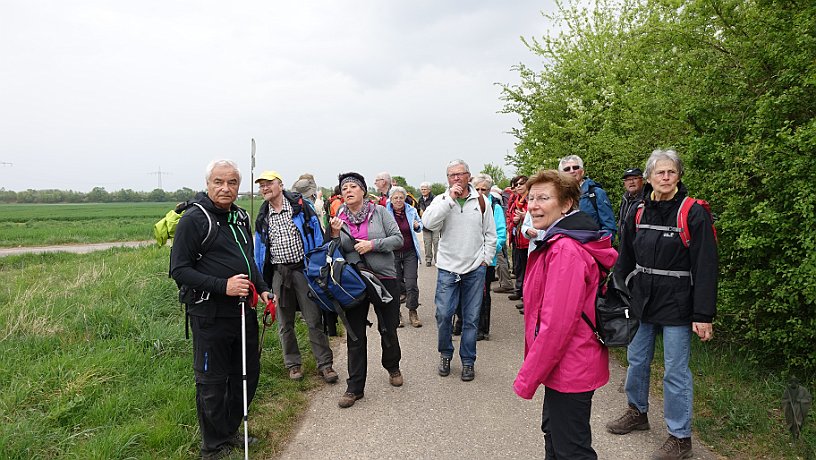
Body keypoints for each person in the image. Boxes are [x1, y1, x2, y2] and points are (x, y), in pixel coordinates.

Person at [605, 149, 718, 460]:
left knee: (675, 371)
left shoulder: (693, 212)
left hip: (678, 302)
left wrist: (703, 314)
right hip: (643, 299)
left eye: (671, 172)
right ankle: (637, 412)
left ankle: (681, 438)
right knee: (637, 359)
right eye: (660, 172)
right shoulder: (638, 211)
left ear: (678, 176)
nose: (666, 177)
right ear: (649, 177)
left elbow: (706, 266)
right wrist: (618, 292)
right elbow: (625, 256)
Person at [170, 159, 272, 460]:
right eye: (219, 182)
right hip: (209, 314)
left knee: (245, 374)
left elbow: (248, 260)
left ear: (238, 186)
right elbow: (179, 270)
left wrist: (263, 288)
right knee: (212, 381)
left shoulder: (239, 216)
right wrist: (222, 285)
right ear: (208, 184)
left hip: (242, 313)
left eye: (231, 183)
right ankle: (212, 445)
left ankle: (230, 431)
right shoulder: (194, 219)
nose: (225, 188)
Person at [513, 169, 616, 459]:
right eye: (531, 198)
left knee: (571, 449)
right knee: (555, 437)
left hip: (571, 363)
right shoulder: (559, 240)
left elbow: (556, 325)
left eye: (544, 198)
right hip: (563, 365)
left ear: (567, 204)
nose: (533, 205)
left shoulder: (565, 250)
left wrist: (528, 377)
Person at [253, 171, 338, 384]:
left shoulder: (301, 208)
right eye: (261, 185)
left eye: (268, 184)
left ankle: (325, 365)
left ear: (280, 185)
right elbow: (259, 251)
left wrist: (319, 266)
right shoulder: (263, 216)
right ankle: (293, 365)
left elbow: (317, 236)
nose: (264, 188)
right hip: (278, 274)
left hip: (303, 271)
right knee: (285, 323)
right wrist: (261, 282)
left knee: (313, 319)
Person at [329, 172, 405, 408]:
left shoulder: (380, 212)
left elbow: (398, 239)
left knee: (388, 327)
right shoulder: (340, 216)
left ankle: (392, 366)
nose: (348, 191)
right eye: (344, 188)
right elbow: (334, 249)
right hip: (355, 281)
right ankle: (355, 388)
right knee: (355, 333)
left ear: (363, 191)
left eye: (353, 186)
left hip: (383, 277)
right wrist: (333, 233)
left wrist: (373, 245)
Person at [422, 159, 497, 382]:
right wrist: (449, 200)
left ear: (468, 176)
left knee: (471, 318)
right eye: (451, 175)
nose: (456, 178)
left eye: (460, 174)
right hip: (447, 268)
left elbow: (490, 234)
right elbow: (429, 224)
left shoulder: (482, 201)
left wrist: (486, 259)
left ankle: (468, 361)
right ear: (447, 179)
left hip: (475, 268)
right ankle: (445, 354)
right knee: (444, 315)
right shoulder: (441, 200)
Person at [473, 174, 507, 340]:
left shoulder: (495, 207)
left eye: (483, 189)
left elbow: (501, 234)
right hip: (468, 257)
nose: (480, 192)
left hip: (487, 259)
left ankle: (482, 328)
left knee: (483, 294)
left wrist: (489, 252)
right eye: (477, 188)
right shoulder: (469, 204)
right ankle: (463, 322)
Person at [385, 186, 424, 328]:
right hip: (392, 252)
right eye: (395, 198)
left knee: (411, 283)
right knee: (394, 284)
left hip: (409, 252)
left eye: (401, 197)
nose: (399, 200)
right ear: (391, 199)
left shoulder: (411, 210)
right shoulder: (385, 212)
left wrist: (417, 225)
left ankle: (413, 311)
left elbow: (420, 224)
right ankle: (397, 314)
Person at [559, 155, 617, 243]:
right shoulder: (558, 197)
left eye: (575, 167)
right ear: (561, 174)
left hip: (592, 249)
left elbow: (609, 228)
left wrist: (599, 246)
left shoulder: (597, 193)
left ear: (582, 171)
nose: (572, 171)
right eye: (567, 169)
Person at [506, 175, 530, 309]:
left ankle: (526, 298)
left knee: (527, 270)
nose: (518, 187)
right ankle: (520, 291)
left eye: (521, 184)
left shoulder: (529, 199)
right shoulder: (516, 199)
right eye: (516, 184)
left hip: (527, 239)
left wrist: (524, 216)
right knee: (520, 267)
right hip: (518, 237)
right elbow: (510, 215)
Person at [417, 181, 439, 267]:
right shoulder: (420, 200)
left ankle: (438, 260)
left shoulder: (435, 198)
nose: (423, 191)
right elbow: (418, 210)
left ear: (429, 190)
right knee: (427, 243)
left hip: (435, 224)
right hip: (425, 225)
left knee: (436, 243)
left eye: (425, 189)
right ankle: (428, 260)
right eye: (422, 189)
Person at [618, 167, 645, 233]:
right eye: (627, 179)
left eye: (635, 178)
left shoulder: (647, 200)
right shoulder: (625, 198)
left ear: (642, 180)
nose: (631, 182)